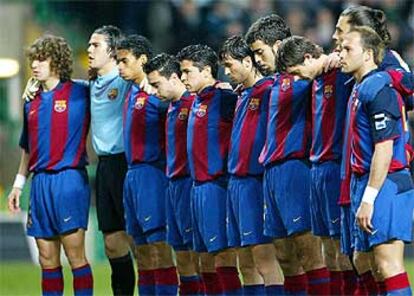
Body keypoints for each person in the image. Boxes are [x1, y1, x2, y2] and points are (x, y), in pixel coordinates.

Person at [332, 6, 413, 294]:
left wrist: (369, 197)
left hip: (386, 181)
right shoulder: (359, 86)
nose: (339, 53)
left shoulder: (379, 87)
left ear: (368, 54)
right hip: (365, 180)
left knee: (388, 263)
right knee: (363, 260)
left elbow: (384, 148)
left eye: (346, 47)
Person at [8, 34, 93, 296]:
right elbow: (28, 148)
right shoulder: (30, 101)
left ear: (56, 61)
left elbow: (107, 86)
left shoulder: (80, 92)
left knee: (75, 255)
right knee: (46, 259)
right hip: (40, 183)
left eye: (41, 59)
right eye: (33, 59)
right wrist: (18, 185)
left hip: (69, 180)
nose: (35, 64)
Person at [276, 35, 355, 295]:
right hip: (317, 168)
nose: (297, 78)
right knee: (329, 251)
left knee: (344, 251)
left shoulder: (342, 72)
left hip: (336, 167)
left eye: (297, 71)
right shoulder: (316, 80)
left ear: (308, 57)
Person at [219, 35, 284, 295]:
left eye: (230, 64)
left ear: (247, 61)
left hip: (255, 182)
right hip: (236, 182)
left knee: (264, 259)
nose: (227, 72)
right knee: (245, 261)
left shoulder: (268, 89)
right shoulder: (242, 94)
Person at [177, 44, 241, 295]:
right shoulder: (195, 100)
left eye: (187, 72)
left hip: (217, 186)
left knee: (222, 257)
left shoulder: (224, 98)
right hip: (197, 187)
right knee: (203, 258)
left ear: (206, 71)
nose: (183, 78)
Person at [116, 34, 178, 296]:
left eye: (124, 61)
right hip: (132, 175)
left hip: (153, 174)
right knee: (140, 253)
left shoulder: (157, 93)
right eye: (117, 61)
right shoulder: (131, 91)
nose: (119, 66)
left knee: (159, 251)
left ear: (142, 59)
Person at [144, 53, 202, 295]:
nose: (154, 91)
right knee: (181, 256)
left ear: (175, 78)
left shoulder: (194, 103)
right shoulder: (171, 107)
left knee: (198, 257)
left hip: (190, 184)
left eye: (157, 84)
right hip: (173, 185)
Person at [87, 25, 136, 296]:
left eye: (96, 45)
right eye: (89, 46)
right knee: (112, 242)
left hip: (126, 164)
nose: (90, 50)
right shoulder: (92, 84)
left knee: (138, 239)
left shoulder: (125, 80)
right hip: (104, 166)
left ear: (113, 51)